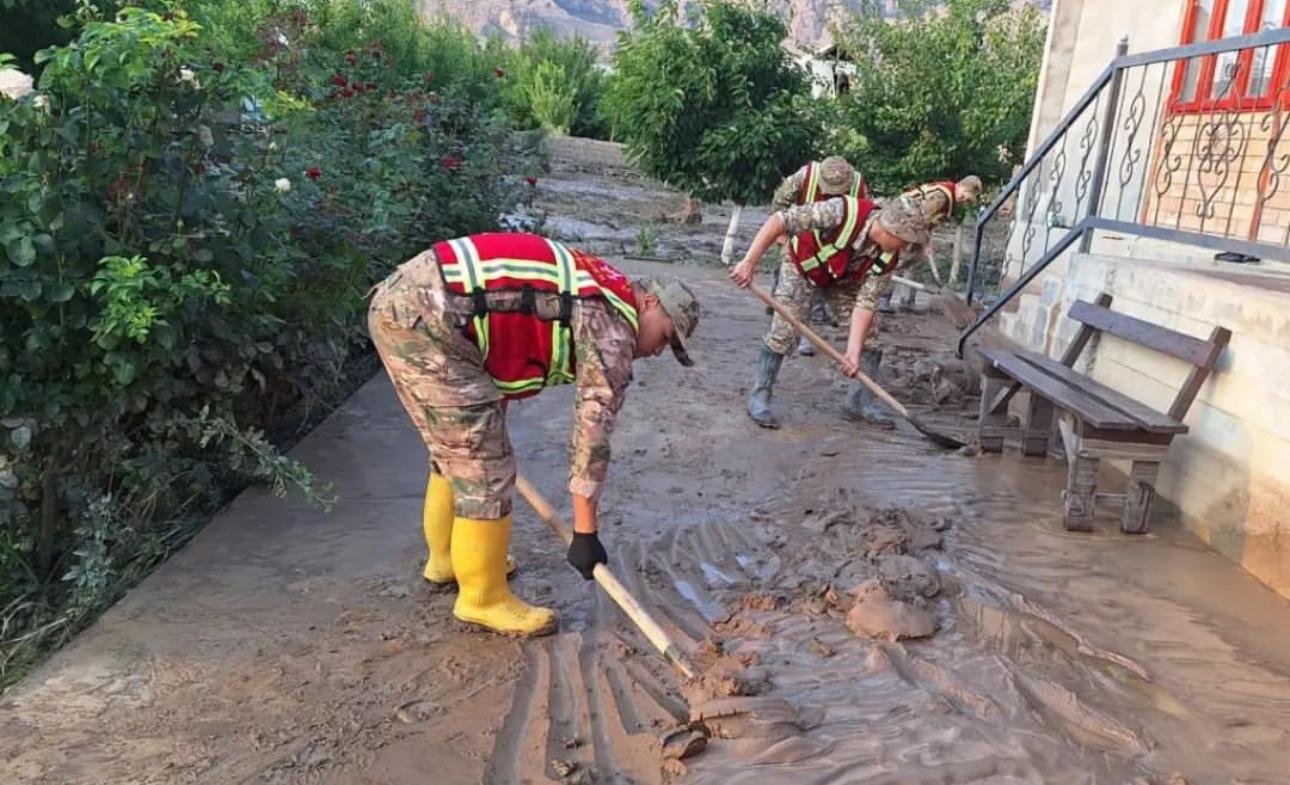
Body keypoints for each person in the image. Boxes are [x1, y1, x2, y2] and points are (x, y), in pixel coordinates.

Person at [368, 232, 701, 637]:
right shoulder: (614, 329)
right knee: (484, 465)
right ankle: (482, 598)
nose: (657, 351)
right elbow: (591, 438)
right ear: (648, 303)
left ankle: (448, 562)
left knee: (459, 451)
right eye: (665, 336)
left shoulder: (603, 287)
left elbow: (505, 321)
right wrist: (585, 533)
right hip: (430, 318)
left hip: (415, 305)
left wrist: (489, 410)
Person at [729, 196, 930, 429]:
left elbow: (866, 303)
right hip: (802, 267)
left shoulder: (888, 256)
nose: (905, 247)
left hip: (844, 279)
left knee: (869, 341)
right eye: (904, 241)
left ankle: (859, 403)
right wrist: (748, 262)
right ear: (890, 228)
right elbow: (780, 220)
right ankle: (760, 397)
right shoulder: (841, 211)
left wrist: (852, 353)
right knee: (783, 332)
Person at [767, 156, 869, 356]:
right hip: (800, 246)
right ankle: (766, 379)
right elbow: (779, 205)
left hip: (835, 250)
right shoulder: (804, 176)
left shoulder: (859, 184)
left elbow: (864, 217)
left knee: (821, 293)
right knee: (790, 300)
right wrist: (781, 237)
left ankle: (810, 332)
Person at [878, 175, 983, 313]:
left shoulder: (949, 199)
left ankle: (907, 300)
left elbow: (930, 222)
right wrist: (926, 242)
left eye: (968, 201)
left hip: (912, 225)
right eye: (965, 197)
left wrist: (925, 241)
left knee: (917, 260)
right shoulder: (941, 197)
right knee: (900, 259)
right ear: (960, 186)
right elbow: (920, 218)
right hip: (901, 220)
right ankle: (883, 298)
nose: (964, 201)